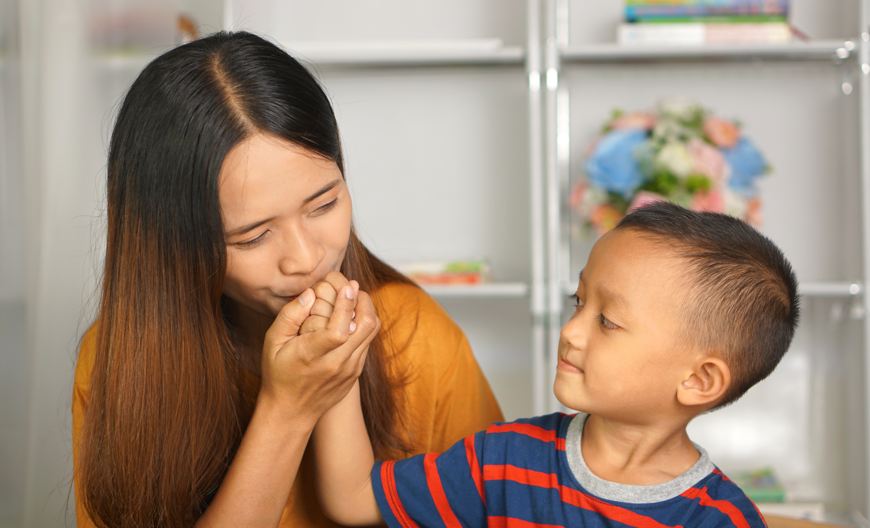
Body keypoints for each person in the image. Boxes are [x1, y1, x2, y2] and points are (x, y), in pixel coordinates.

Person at [71, 31, 503, 528]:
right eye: (252, 237)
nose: (305, 259)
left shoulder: (415, 333)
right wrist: (288, 410)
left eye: (324, 204)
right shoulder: (118, 360)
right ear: (171, 242)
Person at [312, 201, 799, 528]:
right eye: (577, 301)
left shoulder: (721, 519)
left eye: (606, 320)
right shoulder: (503, 457)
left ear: (698, 380)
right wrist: (339, 359)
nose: (570, 330)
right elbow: (352, 498)